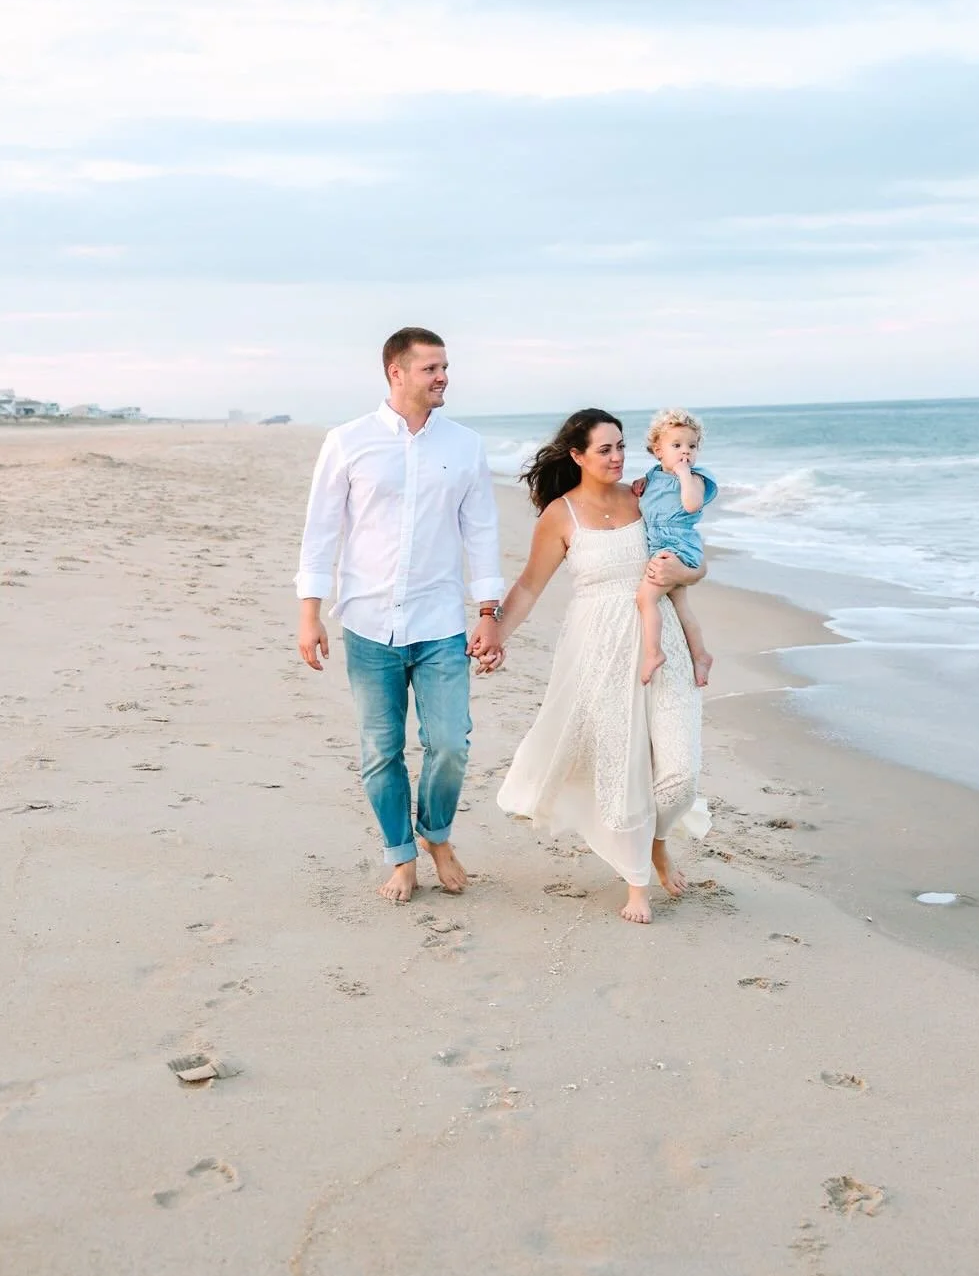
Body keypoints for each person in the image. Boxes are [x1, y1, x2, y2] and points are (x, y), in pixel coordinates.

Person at [295, 327, 504, 904]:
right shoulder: (347, 441)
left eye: (445, 367)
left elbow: (481, 531)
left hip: (441, 621)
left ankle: (436, 835)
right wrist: (309, 613)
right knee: (380, 749)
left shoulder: (465, 445)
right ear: (396, 372)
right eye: (430, 368)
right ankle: (401, 856)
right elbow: (321, 531)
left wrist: (489, 611)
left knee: (451, 742)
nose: (442, 378)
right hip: (366, 621)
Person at [489, 408, 710, 924]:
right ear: (577, 456)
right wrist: (494, 635)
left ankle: (657, 840)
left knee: (679, 775)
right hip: (598, 650)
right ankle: (637, 881)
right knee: (623, 768)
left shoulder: (644, 496)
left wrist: (686, 571)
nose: (616, 457)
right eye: (604, 449)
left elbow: (692, 560)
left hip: (663, 645)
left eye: (620, 446)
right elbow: (527, 587)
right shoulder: (560, 515)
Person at [634, 408, 717, 686]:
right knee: (681, 606)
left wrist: (684, 475)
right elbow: (652, 493)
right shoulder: (655, 474)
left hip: (678, 547)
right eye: (677, 445)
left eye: (692, 446)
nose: (686, 453)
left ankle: (653, 653)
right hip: (660, 543)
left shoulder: (693, 478)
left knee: (645, 598)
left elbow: (692, 504)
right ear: (658, 450)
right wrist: (641, 484)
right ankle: (701, 655)